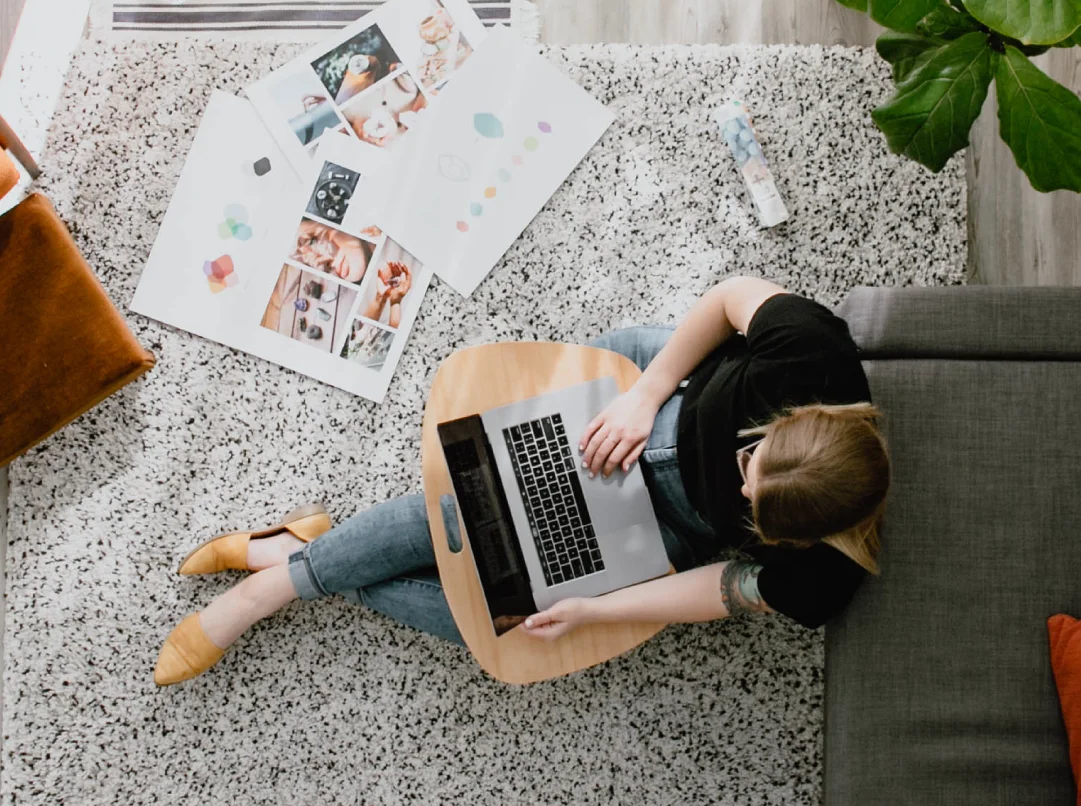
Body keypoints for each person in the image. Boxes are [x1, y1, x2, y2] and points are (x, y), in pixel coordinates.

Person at [153, 276, 890, 685]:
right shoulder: (810, 353)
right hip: (648, 396)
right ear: (798, 416)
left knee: (499, 626)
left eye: (754, 511)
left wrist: (599, 611)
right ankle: (266, 588)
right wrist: (643, 396)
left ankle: (288, 552)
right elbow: (729, 298)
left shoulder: (823, 578)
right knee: (470, 511)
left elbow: (721, 586)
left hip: (664, 530)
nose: (741, 491)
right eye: (748, 465)